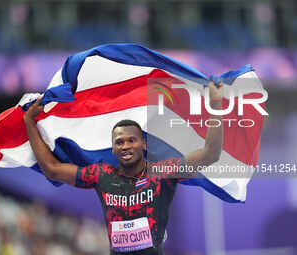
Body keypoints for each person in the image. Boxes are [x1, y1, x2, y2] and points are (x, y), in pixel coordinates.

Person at [23, 81, 224, 255]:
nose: (125, 146)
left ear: (144, 144)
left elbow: (210, 153)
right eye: (119, 142)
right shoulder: (100, 175)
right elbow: (52, 169)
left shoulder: (162, 173)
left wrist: (216, 105)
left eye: (131, 140)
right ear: (113, 149)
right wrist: (29, 122)